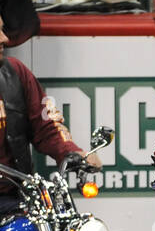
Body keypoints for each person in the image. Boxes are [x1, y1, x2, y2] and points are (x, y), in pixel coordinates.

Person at [0, 14, 101, 208]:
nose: (5, 38)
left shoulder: (16, 72)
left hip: (18, 196)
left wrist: (73, 152)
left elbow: (46, 127)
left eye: (3, 29)